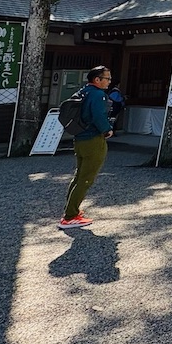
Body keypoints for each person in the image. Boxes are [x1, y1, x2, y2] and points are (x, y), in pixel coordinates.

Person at [61, 65, 114, 229]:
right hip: (93, 139)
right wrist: (107, 129)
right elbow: (98, 115)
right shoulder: (98, 95)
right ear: (97, 79)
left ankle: (71, 210)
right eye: (107, 78)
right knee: (86, 178)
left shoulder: (83, 91)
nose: (109, 82)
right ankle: (70, 216)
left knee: (79, 175)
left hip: (80, 138)